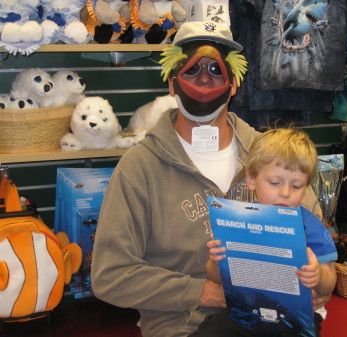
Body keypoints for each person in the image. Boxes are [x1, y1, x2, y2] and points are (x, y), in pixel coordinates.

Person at [91, 22, 330, 337]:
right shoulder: (140, 167)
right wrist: (203, 292)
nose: (204, 79)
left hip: (280, 319)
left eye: (216, 70)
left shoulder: (271, 156)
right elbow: (111, 275)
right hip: (184, 327)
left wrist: (321, 283)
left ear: (234, 85)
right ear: (172, 84)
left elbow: (319, 247)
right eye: (191, 70)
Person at [196, 128, 337, 337]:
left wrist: (318, 275)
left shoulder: (310, 226)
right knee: (210, 331)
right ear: (252, 179)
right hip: (246, 310)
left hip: (296, 316)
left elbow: (329, 284)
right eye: (274, 183)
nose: (285, 193)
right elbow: (217, 278)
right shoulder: (239, 221)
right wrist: (216, 262)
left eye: (297, 186)